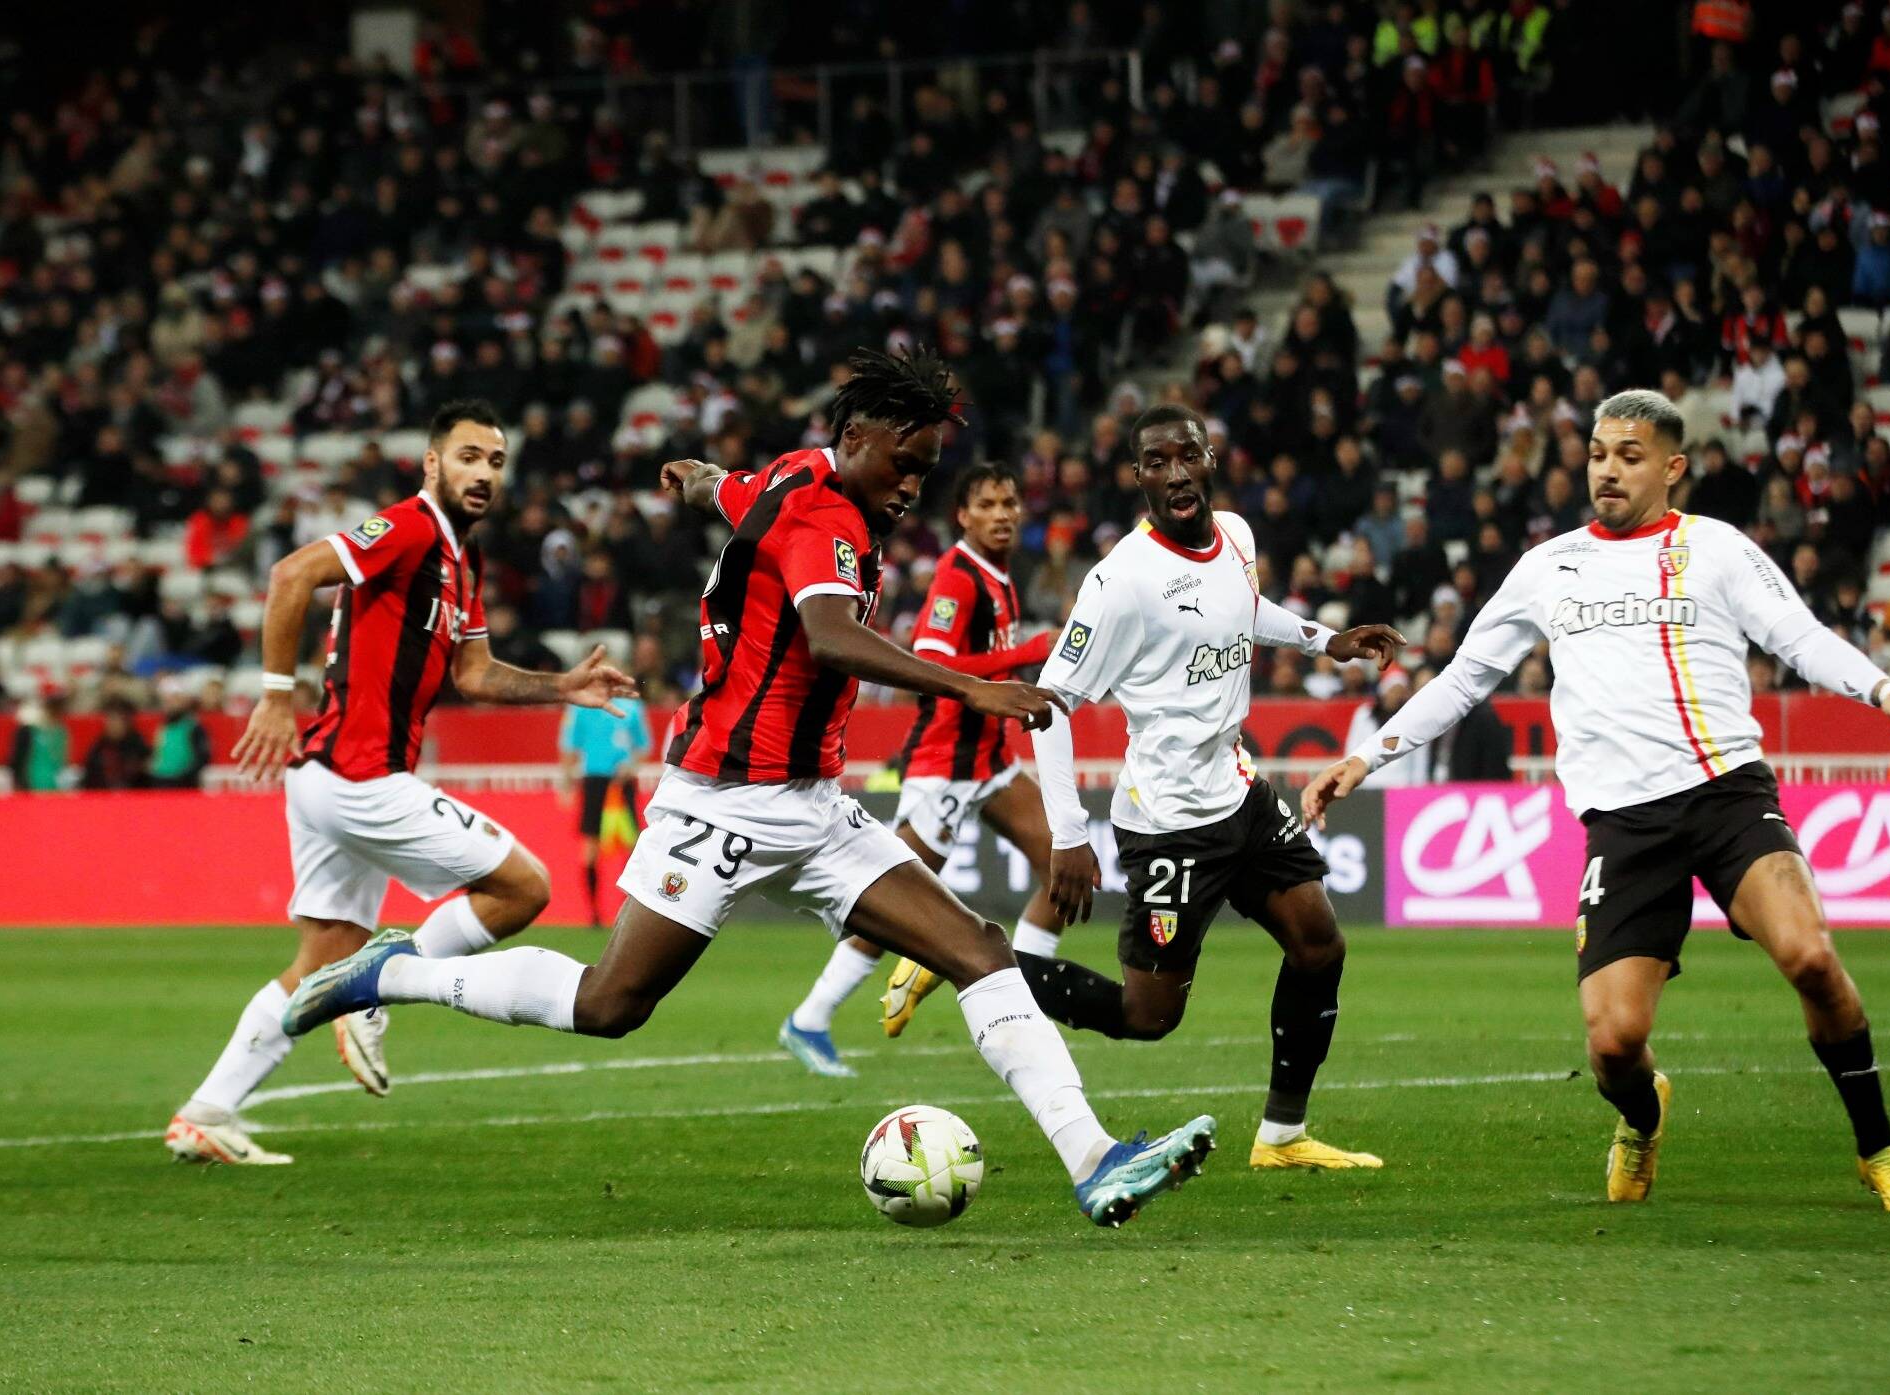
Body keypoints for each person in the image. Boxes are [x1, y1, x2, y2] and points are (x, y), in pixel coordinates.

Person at [284, 351, 1220, 1229]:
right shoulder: (826, 518)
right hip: (721, 799)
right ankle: (390, 971)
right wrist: (976, 686)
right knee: (610, 1005)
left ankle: (1096, 1158)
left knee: (977, 947)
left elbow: (724, 493)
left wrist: (691, 478)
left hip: (812, 802)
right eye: (905, 464)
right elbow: (830, 636)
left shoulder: (789, 475)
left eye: (926, 473)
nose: (910, 489)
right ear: (856, 438)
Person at [1305, 389, 1890, 1214]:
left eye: (1630, 456)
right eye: (1600, 454)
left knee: (1813, 958)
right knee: (1613, 1043)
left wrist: (1882, 688)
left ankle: (1879, 1147)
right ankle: (1643, 1120)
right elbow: (1467, 676)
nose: (1608, 470)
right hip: (1624, 823)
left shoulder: (1715, 549)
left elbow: (1798, 634)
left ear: (1673, 468)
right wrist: (1364, 757)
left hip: (1726, 795)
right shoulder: (1548, 566)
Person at [165, 400, 639, 1167]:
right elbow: (293, 574)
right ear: (431, 463)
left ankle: (207, 1110)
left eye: (495, 460)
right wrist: (276, 694)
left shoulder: (464, 557)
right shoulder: (411, 529)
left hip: (323, 782)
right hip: (359, 775)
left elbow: (474, 674)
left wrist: (564, 686)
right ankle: (383, 982)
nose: (483, 473)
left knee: (322, 959)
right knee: (523, 886)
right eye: (468, 457)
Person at [1018, 403, 1403, 1175]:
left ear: (1209, 457)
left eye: (1184, 456)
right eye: (1154, 463)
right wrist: (1068, 831)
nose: (1174, 474)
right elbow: (1046, 702)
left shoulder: (1237, 535)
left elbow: (1242, 608)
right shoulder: (1121, 581)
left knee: (1320, 942)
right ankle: (995, 966)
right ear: (1137, 478)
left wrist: (1323, 639)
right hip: (1168, 824)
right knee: (1149, 1015)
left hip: (1240, 794)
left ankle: (1282, 1136)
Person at [779, 463, 1062, 1073]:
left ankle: (1026, 998)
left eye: (1010, 502)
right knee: (887, 911)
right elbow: (931, 659)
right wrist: (1026, 653)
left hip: (993, 760)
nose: (1003, 513)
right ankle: (809, 1018)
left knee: (1063, 864)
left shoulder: (1000, 575)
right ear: (963, 515)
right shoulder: (958, 577)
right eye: (987, 503)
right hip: (946, 766)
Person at [559, 693, 653, 927]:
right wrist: (567, 780)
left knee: (630, 844)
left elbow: (643, 746)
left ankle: (629, 909)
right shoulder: (581, 709)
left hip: (622, 783)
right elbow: (570, 745)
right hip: (594, 781)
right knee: (591, 845)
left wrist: (631, 766)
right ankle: (594, 912)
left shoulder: (631, 709)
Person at [80, 698, 150, 790]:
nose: (113, 724)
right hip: (102, 799)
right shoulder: (98, 748)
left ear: (128, 722)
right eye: (110, 719)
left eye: (118, 719)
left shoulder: (138, 747)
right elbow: (89, 780)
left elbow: (145, 780)